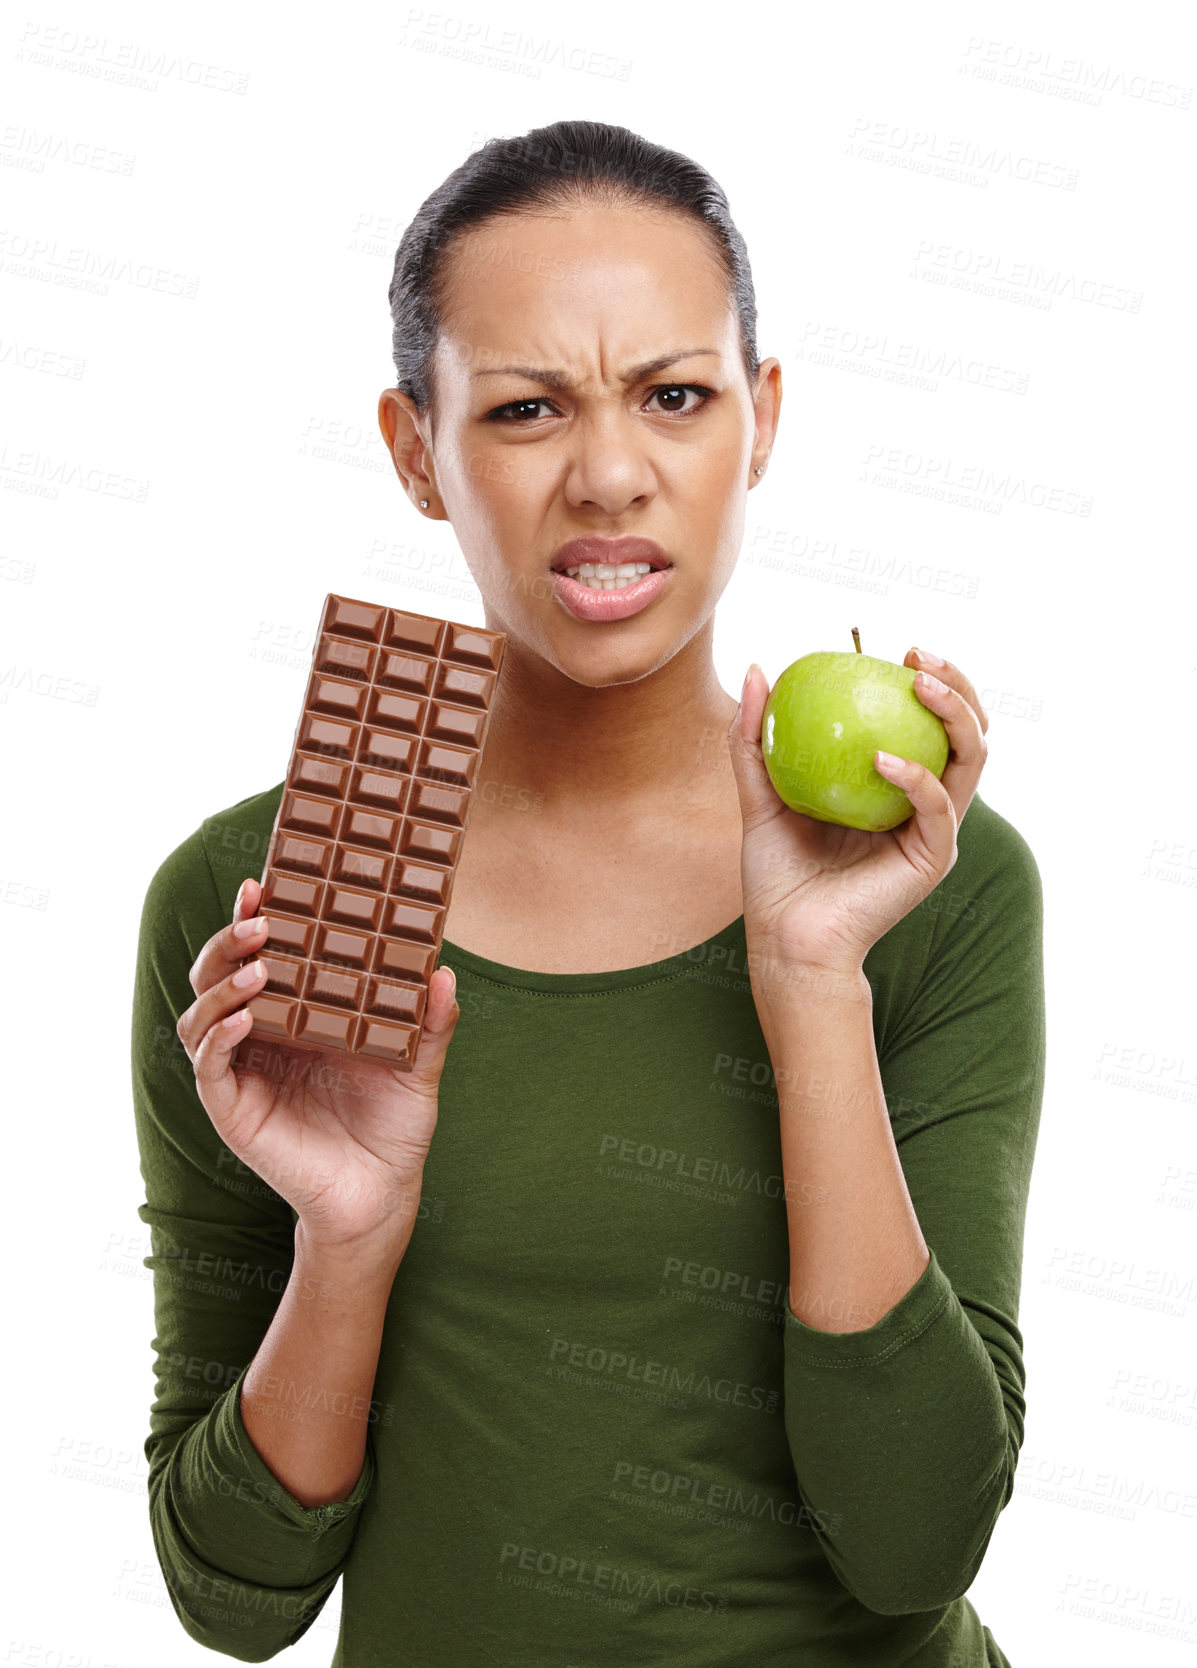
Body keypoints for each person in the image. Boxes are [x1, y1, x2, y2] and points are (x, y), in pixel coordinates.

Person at [131, 119, 1045, 1666]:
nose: (609, 475)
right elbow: (234, 1596)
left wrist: (812, 987)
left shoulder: (922, 878)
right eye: (526, 406)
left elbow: (912, 1540)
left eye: (674, 397)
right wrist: (347, 1238)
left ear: (758, 422)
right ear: (417, 449)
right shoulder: (271, 892)